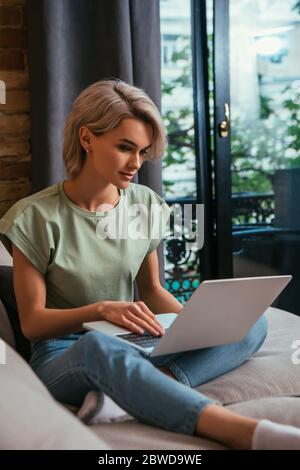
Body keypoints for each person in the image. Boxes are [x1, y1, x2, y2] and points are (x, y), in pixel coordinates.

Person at [0, 78, 300, 450]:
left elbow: (153, 291)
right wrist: (101, 311)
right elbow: (32, 324)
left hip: (134, 342)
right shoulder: (33, 217)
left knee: (253, 322)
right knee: (100, 349)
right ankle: (238, 430)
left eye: (142, 152)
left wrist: (194, 326)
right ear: (87, 138)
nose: (136, 164)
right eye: (125, 148)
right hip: (67, 353)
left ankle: (143, 389)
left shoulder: (144, 204)